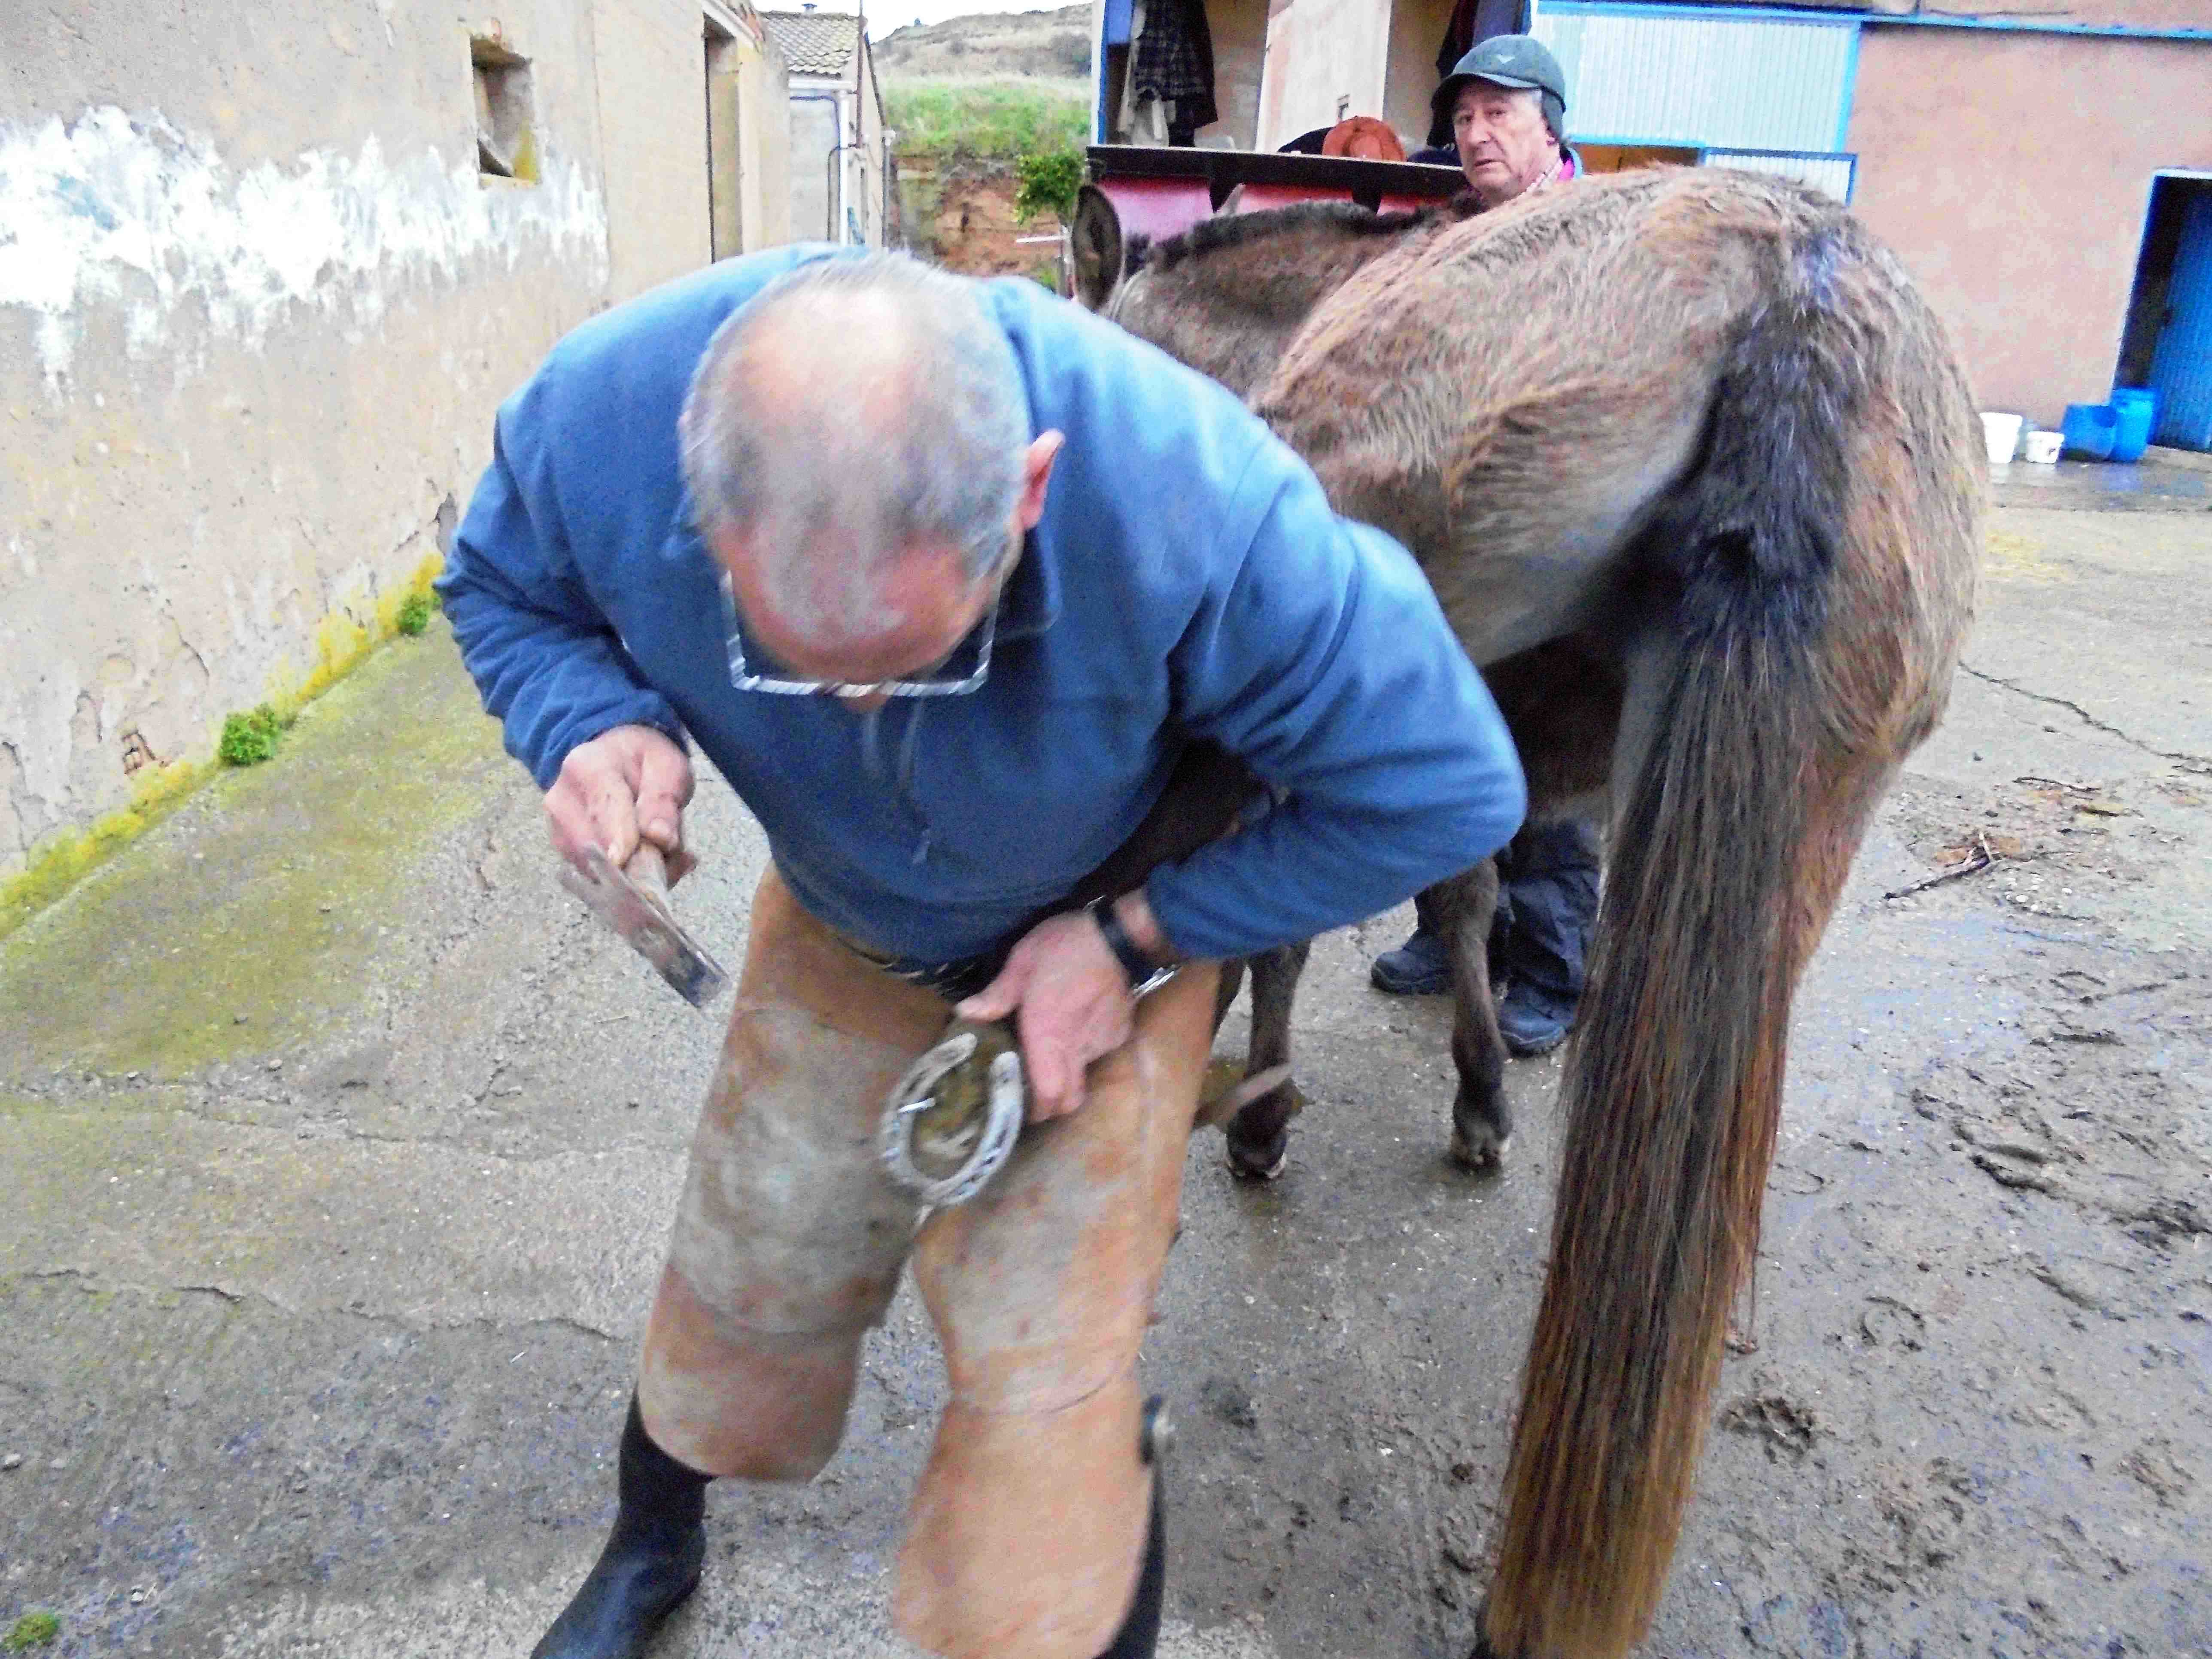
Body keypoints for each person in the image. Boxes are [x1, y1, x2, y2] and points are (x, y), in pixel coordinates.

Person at [436, 249, 1525, 1659]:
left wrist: (1137, 937)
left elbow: (1446, 789)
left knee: (1051, 1379)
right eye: (803, 661)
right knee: (742, 1279)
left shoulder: (1195, 498)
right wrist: (584, 720)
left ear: (1028, 489)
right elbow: (502, 587)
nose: (858, 705)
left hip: (1102, 945)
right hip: (842, 923)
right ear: (696, 515)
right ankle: (651, 1543)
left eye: (909, 658)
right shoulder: (601, 420)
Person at [1405, 34, 1581, 212]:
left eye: (1497, 114)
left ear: (1550, 127)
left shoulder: (1591, 220)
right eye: (1465, 119)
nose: (1474, 138)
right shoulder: (1451, 220)